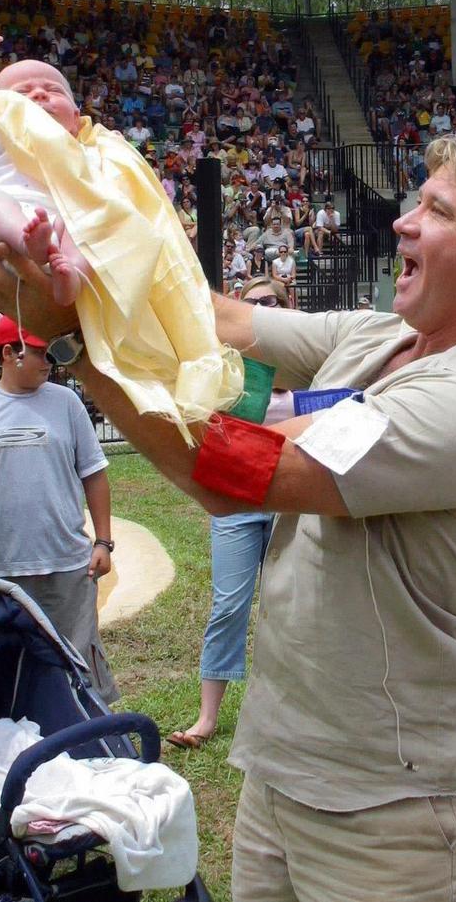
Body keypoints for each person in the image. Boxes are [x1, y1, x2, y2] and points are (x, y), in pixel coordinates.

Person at [0, 129, 456, 902]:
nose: (402, 220)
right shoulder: (385, 335)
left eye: (436, 208)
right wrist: (83, 230)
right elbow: (210, 317)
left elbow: (240, 475)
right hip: (285, 762)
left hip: (394, 801)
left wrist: (69, 343)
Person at [0, 19, 242, 443]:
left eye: (52, 91)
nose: (38, 95)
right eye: (22, 92)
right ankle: (34, 243)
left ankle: (67, 270)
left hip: (64, 216)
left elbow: (114, 215)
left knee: (95, 226)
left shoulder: (94, 154)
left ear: (76, 118)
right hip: (8, 212)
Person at [0, 315, 119, 704]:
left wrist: (103, 541)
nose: (49, 359)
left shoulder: (66, 402)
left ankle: (91, 737)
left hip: (66, 563)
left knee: (78, 665)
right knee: (3, 668)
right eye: (38, 351)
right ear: (8, 352)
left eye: (50, 350)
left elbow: (94, 474)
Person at [167, 277, 292, 750]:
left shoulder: (307, 366)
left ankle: (284, 712)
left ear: (286, 305)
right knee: (229, 605)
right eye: (253, 304)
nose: (261, 310)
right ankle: (207, 718)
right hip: (238, 503)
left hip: (292, 505)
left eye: (270, 303)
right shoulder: (229, 367)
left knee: (291, 607)